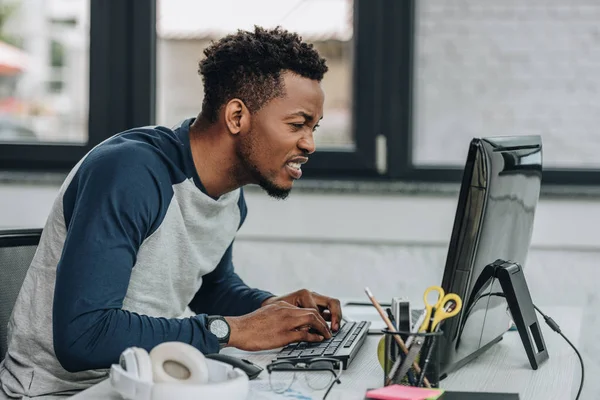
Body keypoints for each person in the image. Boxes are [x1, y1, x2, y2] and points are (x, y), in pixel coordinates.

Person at [0, 26, 342, 399]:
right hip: (61, 392)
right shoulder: (131, 173)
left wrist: (270, 307)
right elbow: (83, 336)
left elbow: (211, 287)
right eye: (297, 124)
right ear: (236, 116)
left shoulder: (228, 197)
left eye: (314, 128)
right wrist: (232, 330)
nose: (309, 144)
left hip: (154, 382)